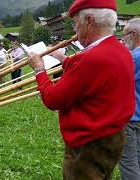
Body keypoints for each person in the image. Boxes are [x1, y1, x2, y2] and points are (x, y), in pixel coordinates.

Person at [28, 0, 135, 179]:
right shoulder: (120, 50)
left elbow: (53, 99)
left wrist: (39, 69)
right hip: (114, 136)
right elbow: (92, 72)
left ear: (89, 21)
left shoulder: (90, 60)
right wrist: (64, 58)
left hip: (89, 144)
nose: (75, 29)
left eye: (76, 22)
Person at [119, 18, 140, 180]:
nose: (122, 38)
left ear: (134, 34)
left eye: (124, 35)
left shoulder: (133, 57)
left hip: (131, 117)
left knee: (129, 161)